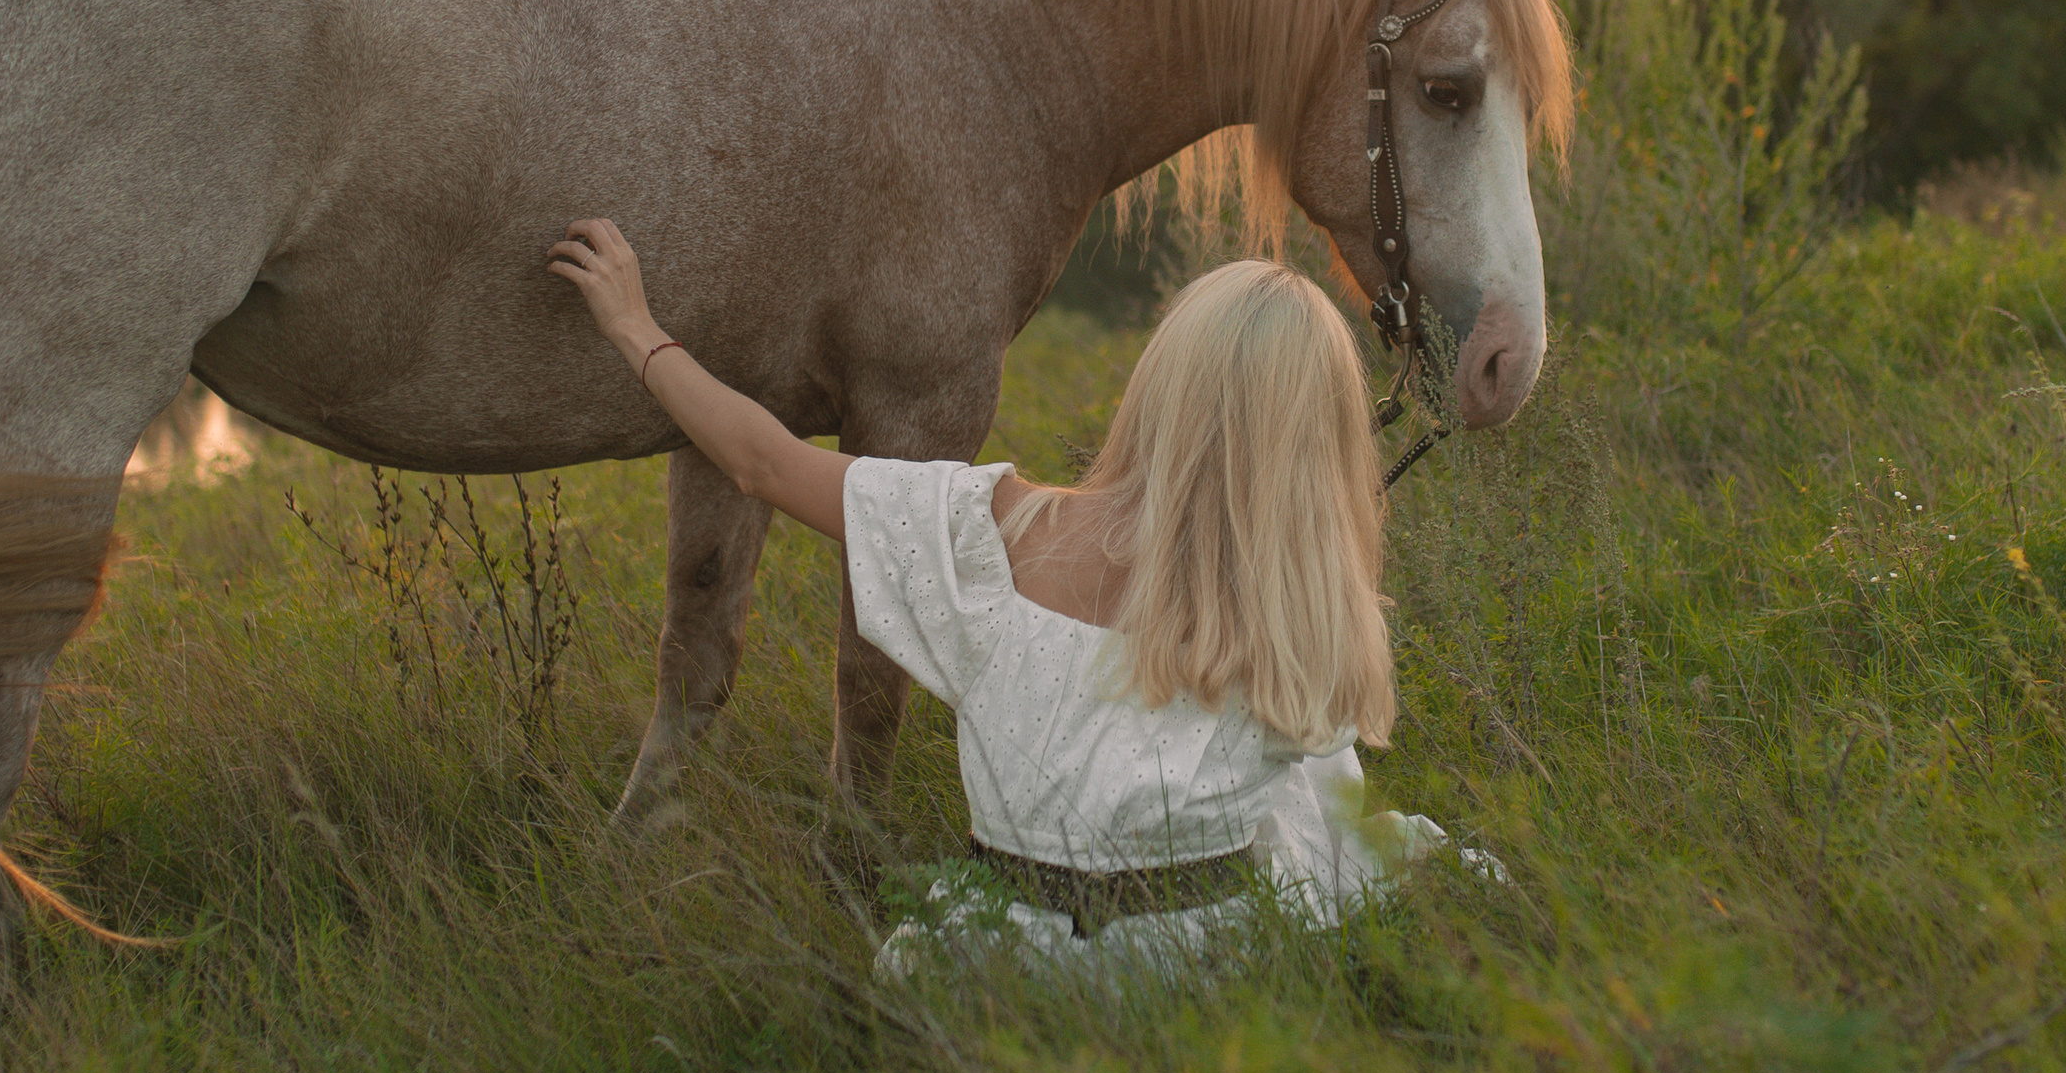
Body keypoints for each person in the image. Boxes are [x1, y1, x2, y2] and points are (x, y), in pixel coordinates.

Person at [547, 219, 1466, 981]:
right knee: (1311, 789)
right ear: (1318, 445)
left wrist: (636, 328)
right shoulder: (1309, 608)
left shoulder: (985, 538)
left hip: (1005, 962)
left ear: (1158, 388)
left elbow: (762, 461)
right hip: (1203, 966)